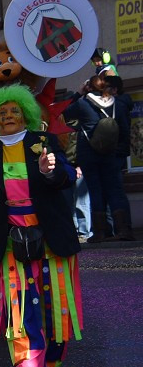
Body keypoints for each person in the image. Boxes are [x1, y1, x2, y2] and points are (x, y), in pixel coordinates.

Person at [0, 85, 82, 367]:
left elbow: (67, 176)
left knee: (53, 299)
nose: (8, 116)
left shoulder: (43, 142)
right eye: (2, 112)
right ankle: (27, 362)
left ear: (26, 114)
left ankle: (52, 355)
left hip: (49, 234)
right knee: (19, 301)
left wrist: (51, 170)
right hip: (10, 237)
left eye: (14, 111)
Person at [64, 71, 131, 241]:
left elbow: (64, 113)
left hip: (89, 155)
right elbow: (124, 131)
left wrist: (79, 93)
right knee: (115, 191)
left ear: (90, 87)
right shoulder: (118, 104)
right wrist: (120, 154)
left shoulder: (83, 103)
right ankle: (123, 230)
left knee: (95, 191)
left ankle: (100, 232)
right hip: (111, 155)